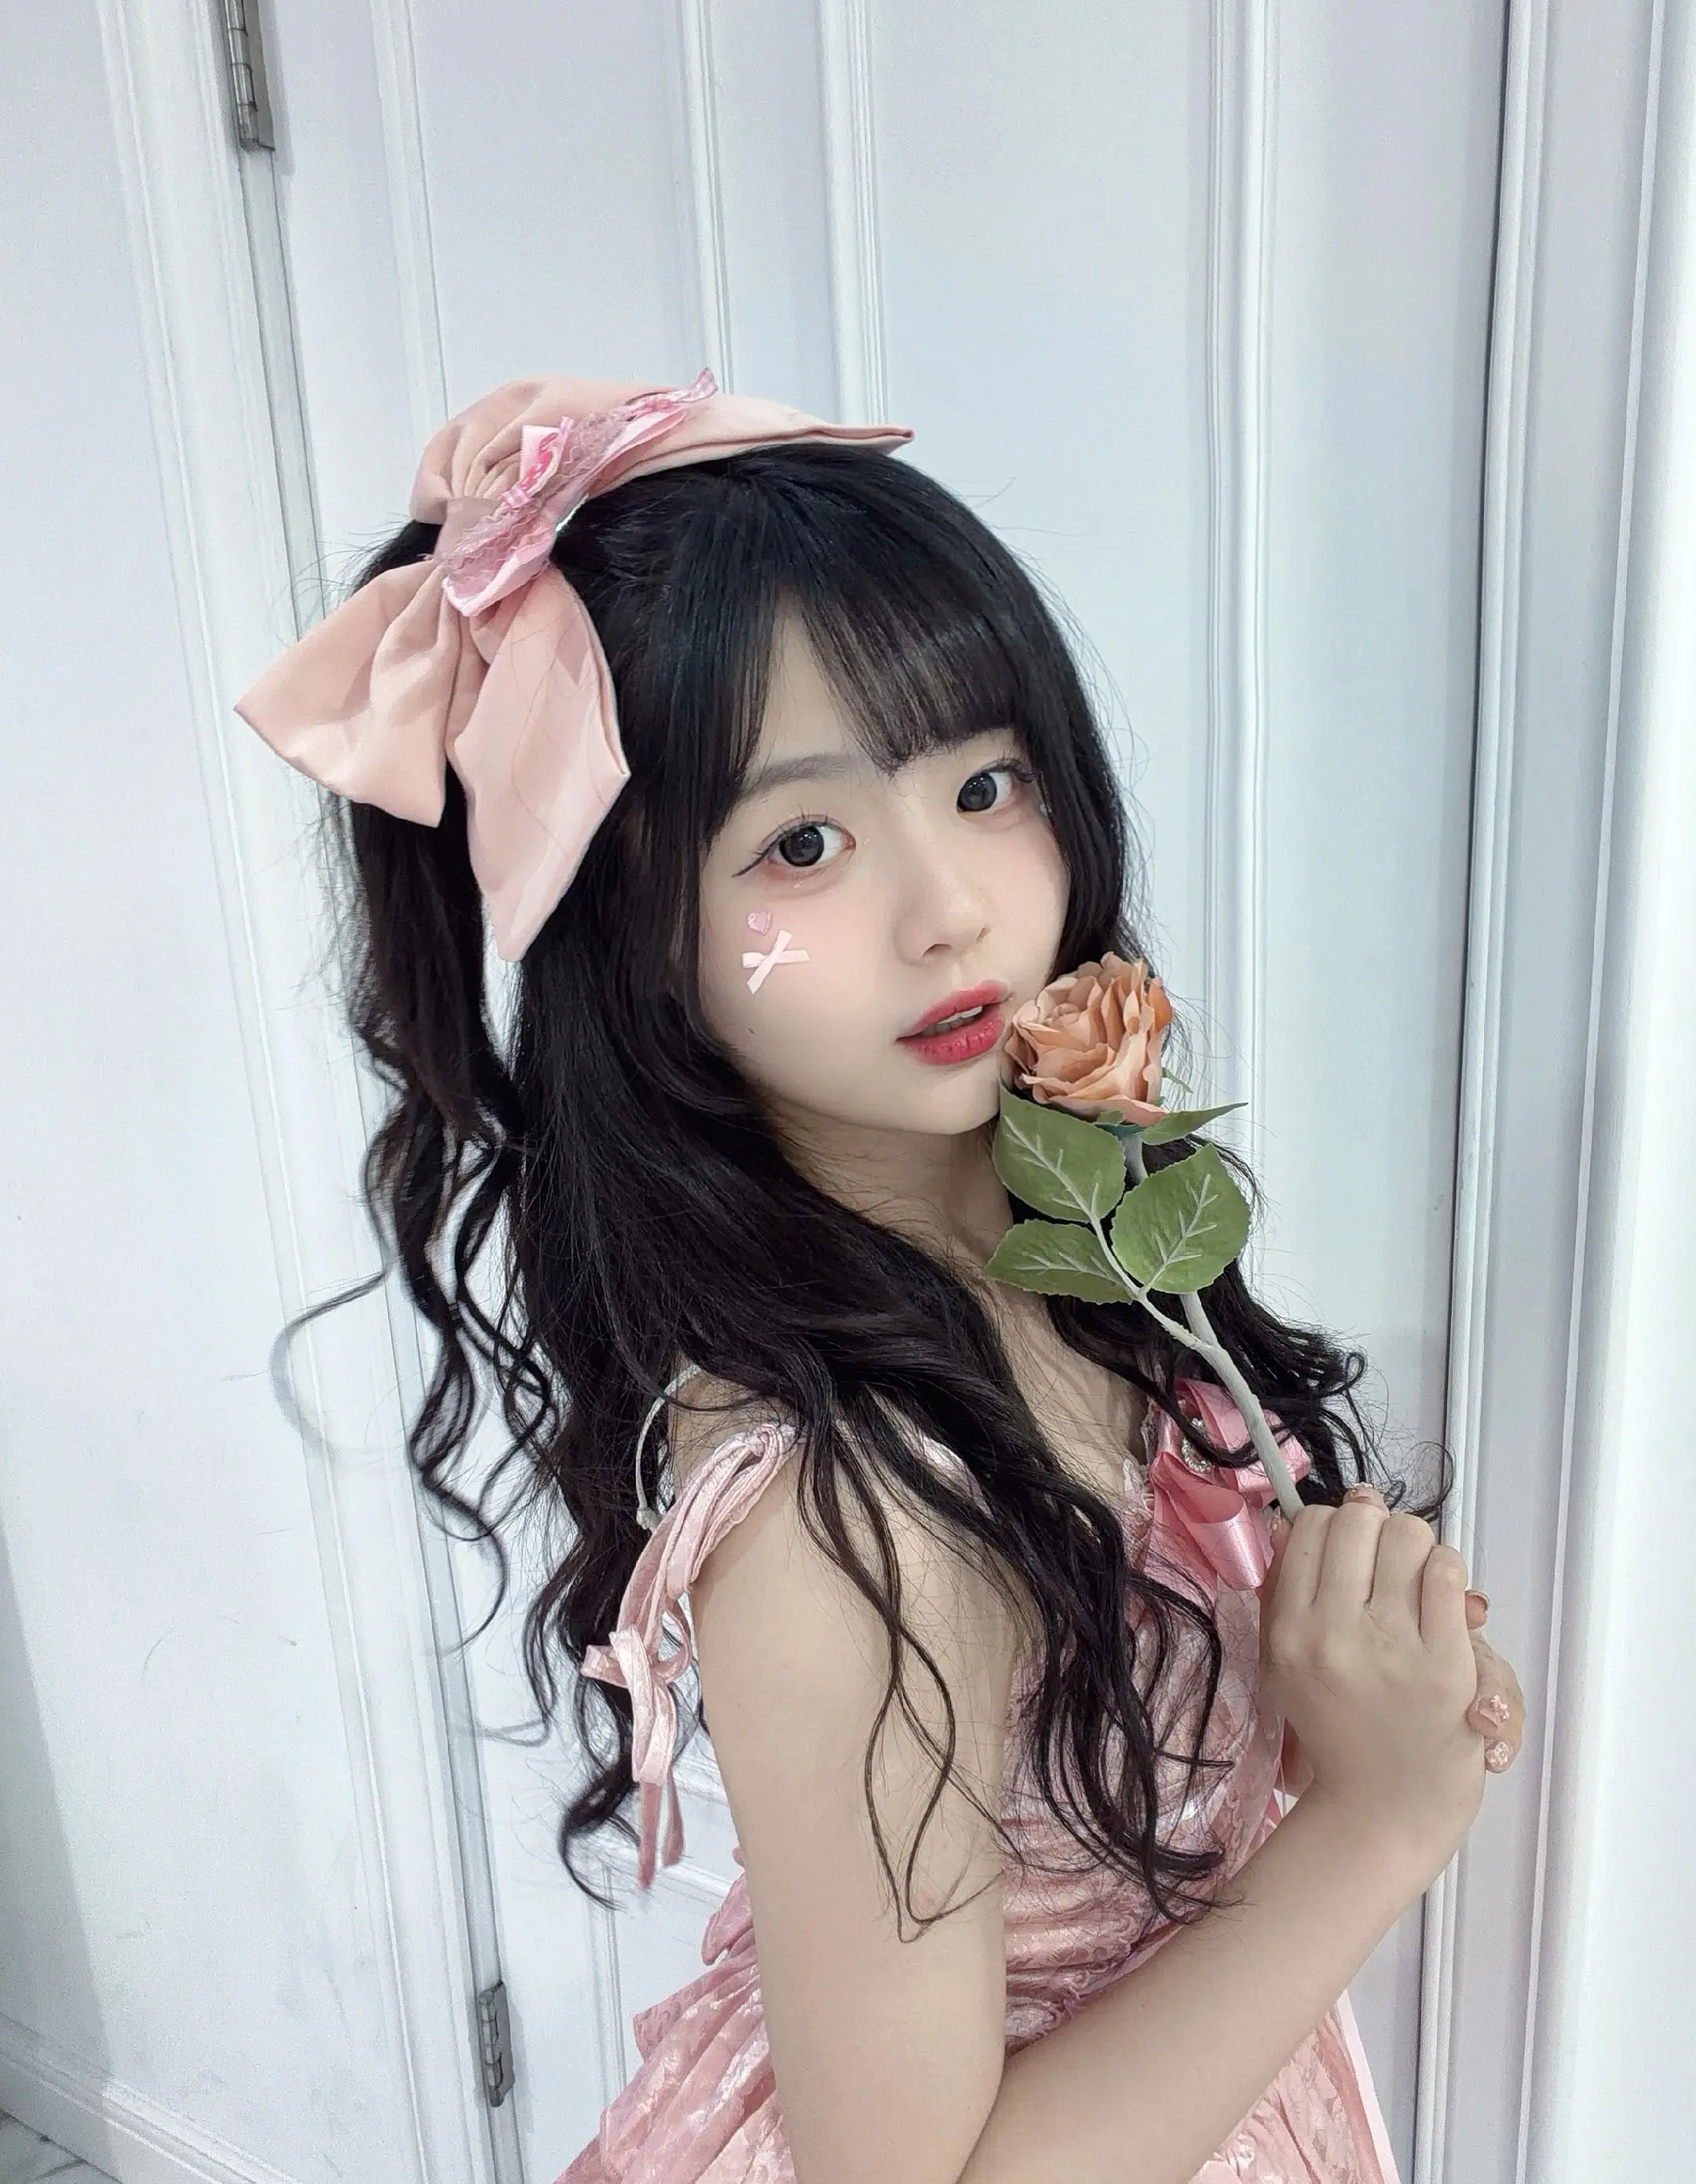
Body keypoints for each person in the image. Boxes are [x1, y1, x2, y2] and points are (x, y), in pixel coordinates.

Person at [234, 371, 1525, 2184]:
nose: (951, 909)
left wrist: (1330, 1671)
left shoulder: (1053, 1231)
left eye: (985, 782)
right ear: (636, 930)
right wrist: (1376, 1826)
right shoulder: (850, 1519)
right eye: (804, 843)